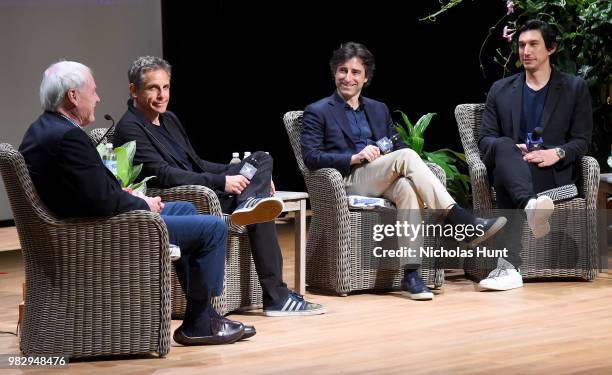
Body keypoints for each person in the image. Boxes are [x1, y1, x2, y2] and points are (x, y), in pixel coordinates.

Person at [20, 60, 255, 346]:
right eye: (93, 92)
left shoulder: (42, 129)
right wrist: (142, 206)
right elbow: (102, 202)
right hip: (98, 231)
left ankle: (200, 317)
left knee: (187, 209)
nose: (98, 98)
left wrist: (133, 196)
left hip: (87, 222)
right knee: (213, 229)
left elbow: (90, 191)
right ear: (72, 96)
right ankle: (204, 319)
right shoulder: (68, 137)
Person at [113, 56, 325, 316]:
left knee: (260, 158)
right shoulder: (130, 128)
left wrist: (230, 169)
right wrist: (223, 180)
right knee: (261, 207)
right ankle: (276, 296)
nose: (161, 95)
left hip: (207, 185)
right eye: (153, 88)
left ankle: (250, 201)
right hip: (191, 196)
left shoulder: (169, 119)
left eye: (166, 87)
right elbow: (164, 175)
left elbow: (196, 162)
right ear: (134, 90)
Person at [301, 42, 507, 301]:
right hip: (347, 180)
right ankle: (461, 220)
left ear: (366, 78)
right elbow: (311, 157)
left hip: (380, 175)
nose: (348, 78)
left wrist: (385, 154)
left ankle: (411, 274)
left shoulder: (377, 109)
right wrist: (353, 157)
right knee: (408, 157)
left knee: (407, 189)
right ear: (334, 73)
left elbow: (398, 144)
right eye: (343, 71)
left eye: (355, 72)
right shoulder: (318, 111)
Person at [478, 19, 592, 291]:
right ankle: (531, 207)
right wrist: (511, 150)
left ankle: (509, 268)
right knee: (505, 147)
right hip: (512, 166)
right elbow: (485, 140)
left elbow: (583, 141)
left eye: (533, 44)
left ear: (551, 48)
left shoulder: (574, 88)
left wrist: (557, 152)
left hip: (550, 172)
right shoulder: (501, 89)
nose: (525, 51)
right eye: (521, 45)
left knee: (508, 177)